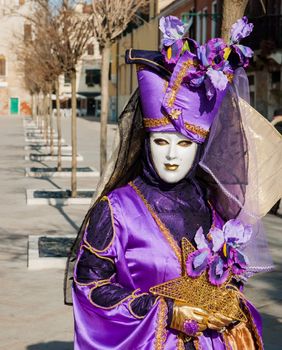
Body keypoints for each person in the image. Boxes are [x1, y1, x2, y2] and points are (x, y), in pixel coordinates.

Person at [66, 16, 282, 349]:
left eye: (183, 145)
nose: (171, 156)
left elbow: (223, 280)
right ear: (146, 141)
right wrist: (165, 310)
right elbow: (89, 285)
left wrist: (228, 302)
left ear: (199, 150)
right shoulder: (116, 211)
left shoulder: (211, 207)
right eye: (161, 142)